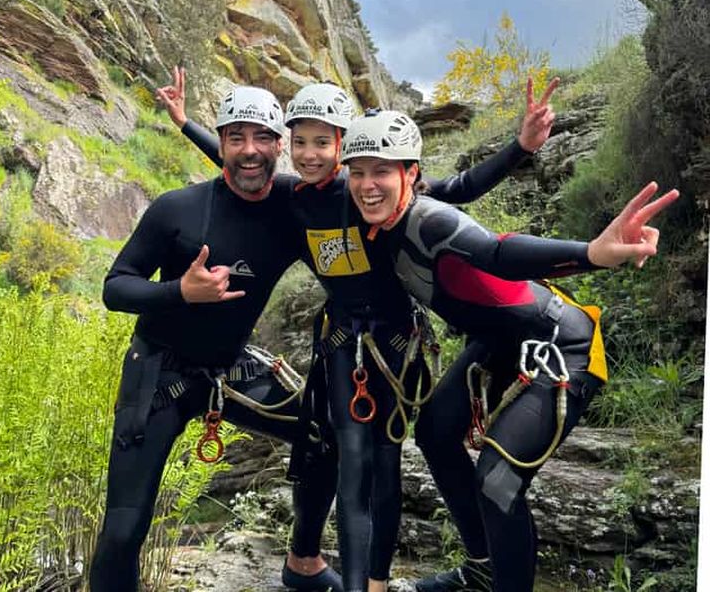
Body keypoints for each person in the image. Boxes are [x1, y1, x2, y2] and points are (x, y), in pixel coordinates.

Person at [157, 69, 561, 592]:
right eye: (298, 143)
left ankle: (375, 580)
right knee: (354, 465)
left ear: (342, 144)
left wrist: (520, 148)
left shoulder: (371, 186)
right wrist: (186, 123)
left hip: (397, 343)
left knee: (386, 465)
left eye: (322, 142)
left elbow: (459, 189)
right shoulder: (290, 197)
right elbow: (240, 166)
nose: (308, 154)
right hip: (344, 343)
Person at [339, 109, 679, 592]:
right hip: (499, 342)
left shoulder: (429, 219)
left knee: (497, 482)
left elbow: (499, 252)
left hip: (561, 345)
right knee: (436, 431)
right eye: (357, 173)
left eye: (380, 172)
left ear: (410, 174)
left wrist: (590, 254)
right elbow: (464, 182)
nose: (367, 185)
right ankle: (482, 569)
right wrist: (520, 148)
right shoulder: (382, 209)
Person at [90, 85, 344, 592]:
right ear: (223, 143)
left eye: (262, 138)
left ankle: (303, 562)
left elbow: (378, 193)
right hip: (158, 373)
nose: (249, 149)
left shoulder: (296, 208)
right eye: (235, 137)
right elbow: (115, 288)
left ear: (280, 144)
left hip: (231, 370)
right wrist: (180, 292)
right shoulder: (176, 209)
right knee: (123, 529)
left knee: (326, 433)